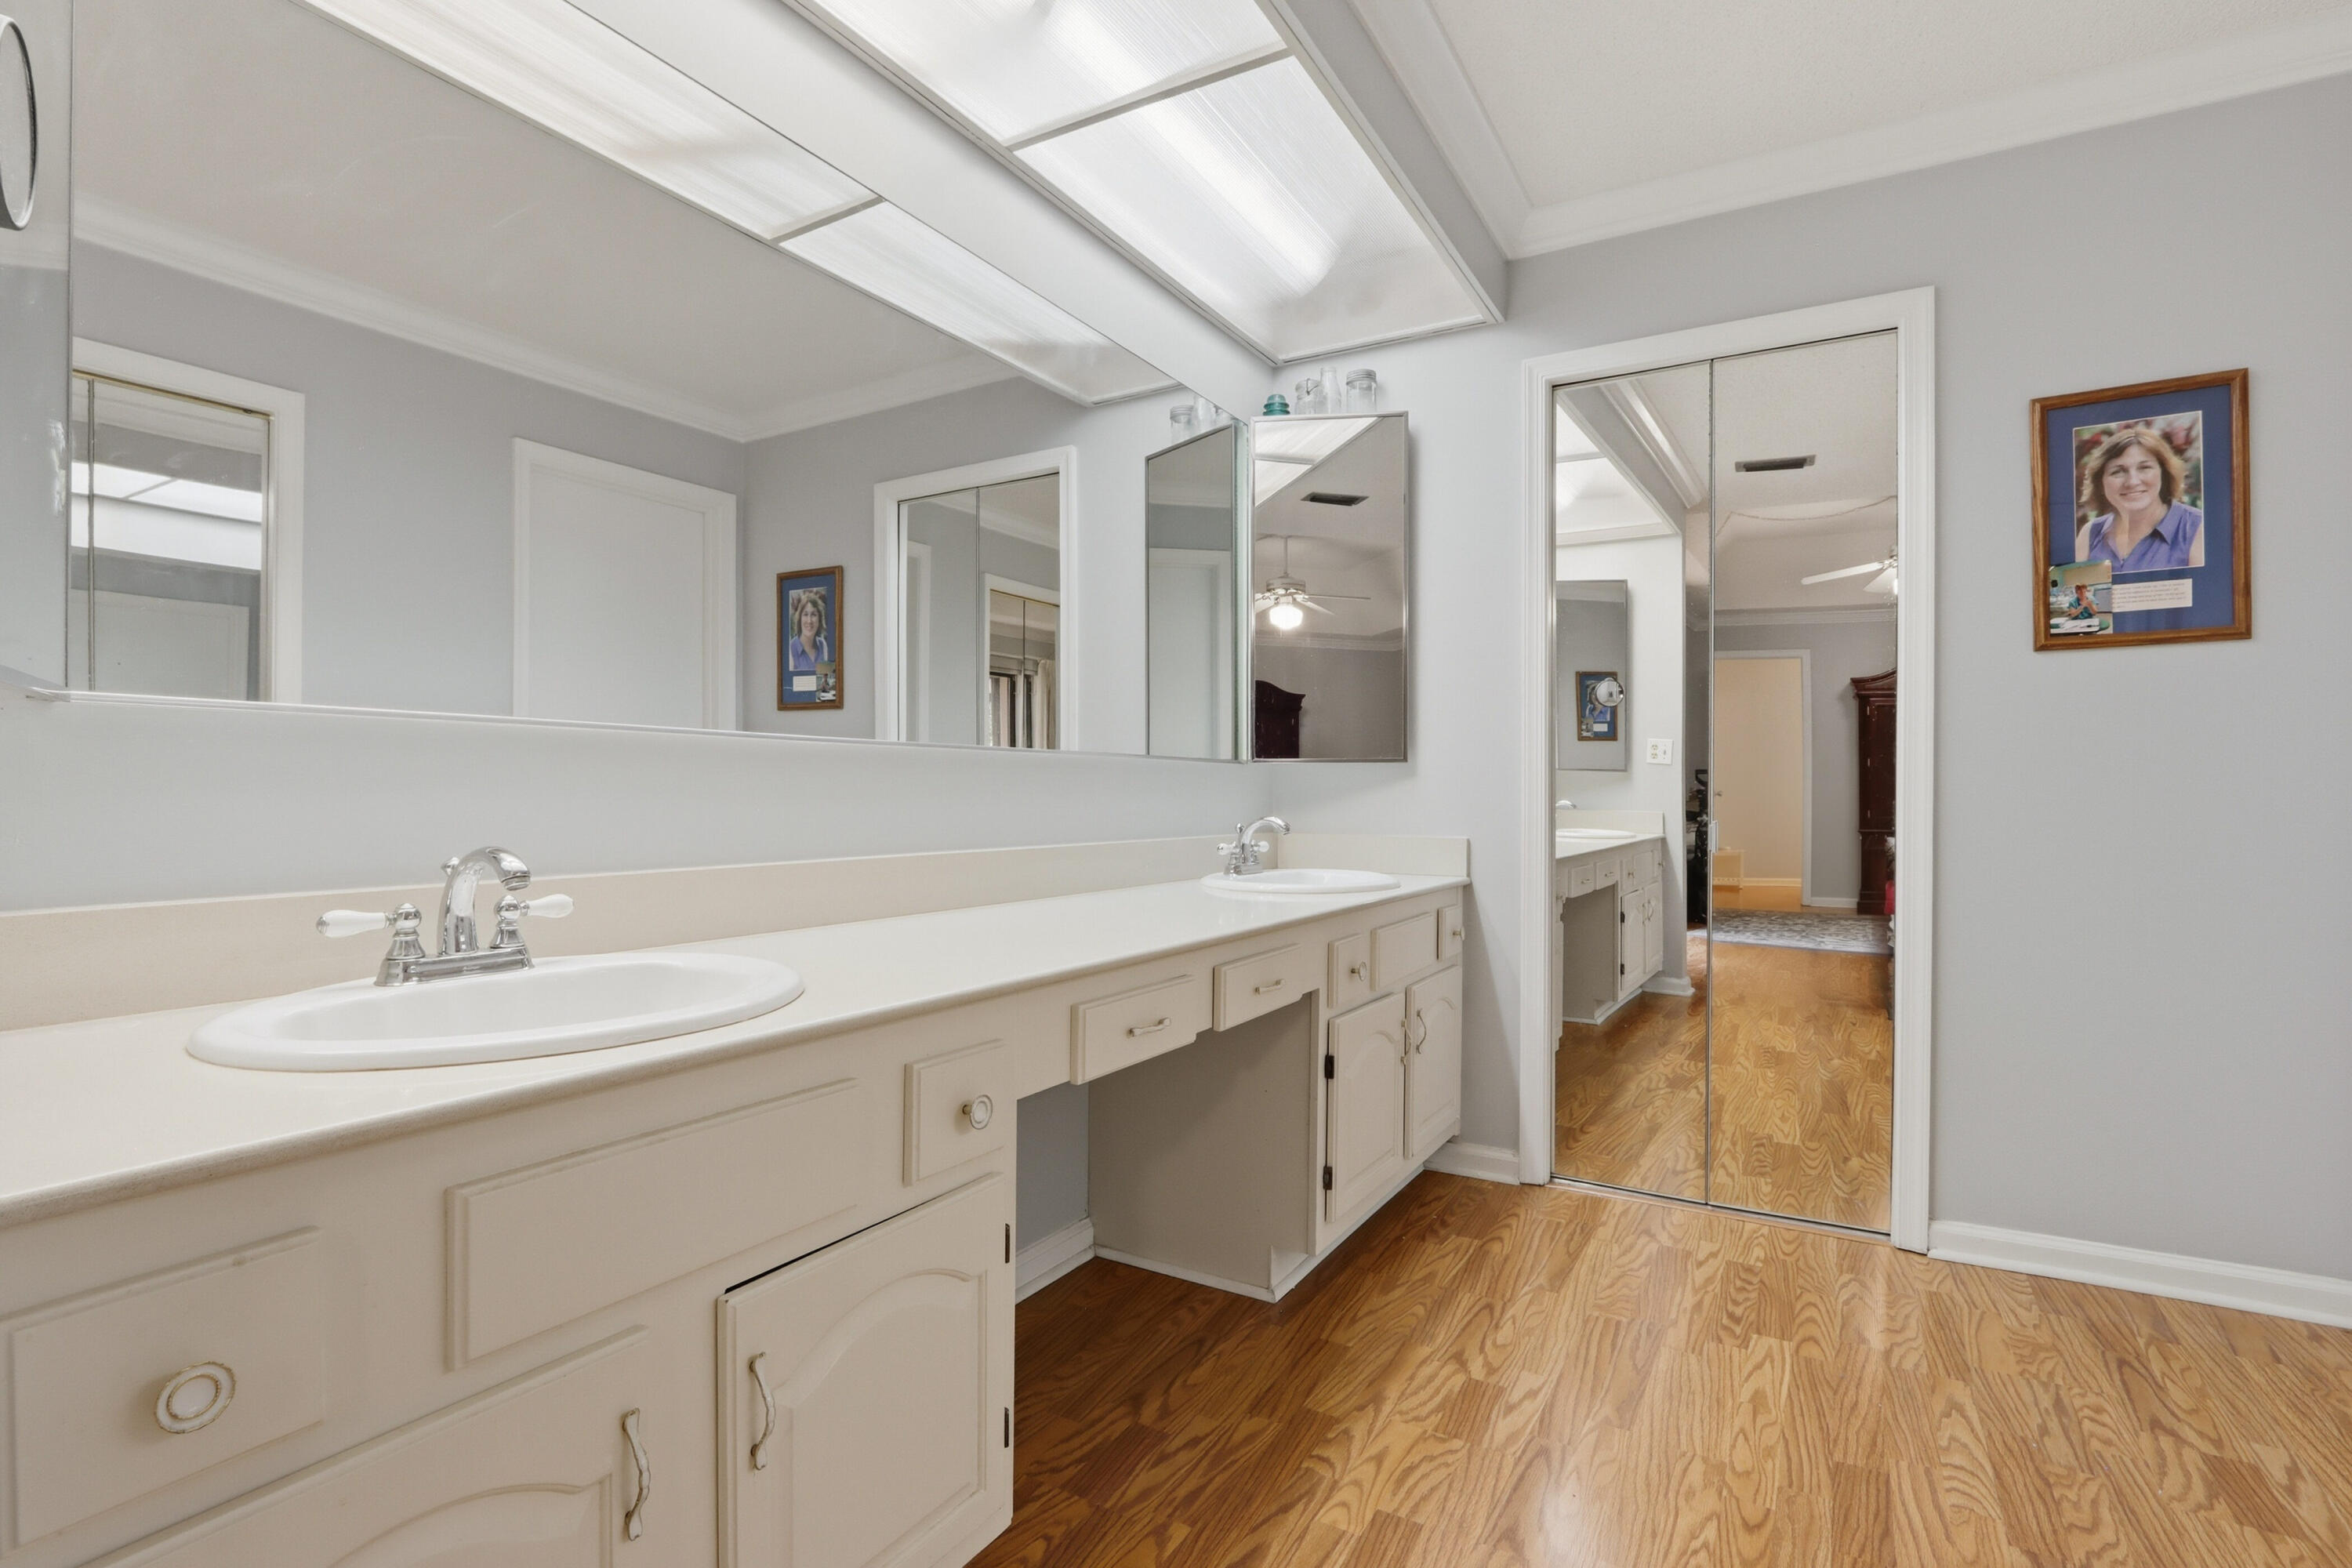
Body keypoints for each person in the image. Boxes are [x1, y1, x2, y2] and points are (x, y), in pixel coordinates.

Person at [2076, 426, 2203, 571]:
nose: (2132, 482)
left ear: (2164, 473)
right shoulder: (2090, 534)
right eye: (2118, 471)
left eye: (2144, 468)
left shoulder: (2196, 527)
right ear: (2100, 482)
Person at [786, 590, 831, 673]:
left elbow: (825, 680)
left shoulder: (823, 645)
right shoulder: (791, 648)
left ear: (819, 619)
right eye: (805, 615)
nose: (809, 621)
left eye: (813, 615)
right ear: (800, 619)